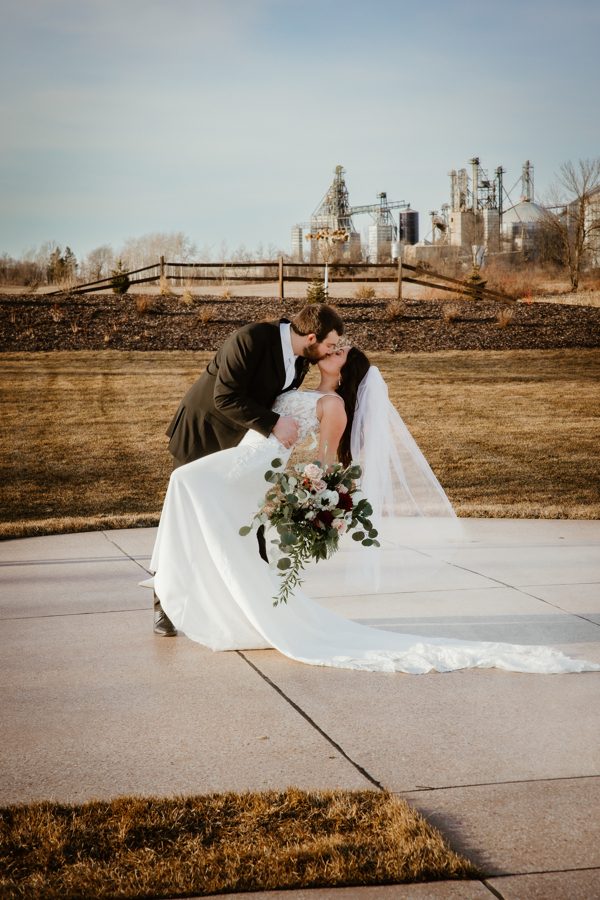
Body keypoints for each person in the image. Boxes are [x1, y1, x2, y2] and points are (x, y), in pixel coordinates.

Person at [145, 346, 599, 675]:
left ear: (345, 371)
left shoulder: (335, 405)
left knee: (183, 483)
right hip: (245, 458)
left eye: (341, 351)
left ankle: (178, 596)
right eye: (333, 345)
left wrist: (297, 494)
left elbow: (323, 465)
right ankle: (185, 595)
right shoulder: (299, 384)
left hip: (255, 468)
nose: (333, 349)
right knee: (189, 496)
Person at [153, 303, 344, 634]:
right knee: (187, 519)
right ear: (311, 337)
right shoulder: (252, 338)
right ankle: (164, 606)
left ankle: (255, 606)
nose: (331, 350)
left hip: (243, 449)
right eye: (329, 345)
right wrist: (273, 424)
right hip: (203, 436)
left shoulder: (300, 361)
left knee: (248, 521)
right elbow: (225, 396)